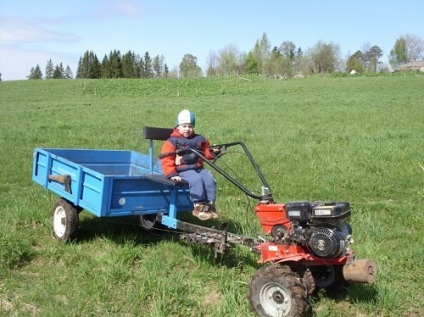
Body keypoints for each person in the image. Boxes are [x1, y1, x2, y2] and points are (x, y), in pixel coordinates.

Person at [160, 109, 220, 221]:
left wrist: (213, 152)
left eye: (190, 126)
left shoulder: (200, 139)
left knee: (209, 179)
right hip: (183, 169)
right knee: (196, 180)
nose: (187, 129)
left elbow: (206, 153)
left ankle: (210, 205)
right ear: (177, 127)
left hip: (198, 167)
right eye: (184, 126)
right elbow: (166, 158)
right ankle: (198, 206)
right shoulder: (172, 141)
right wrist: (172, 174)